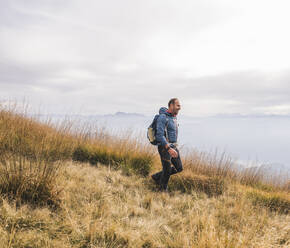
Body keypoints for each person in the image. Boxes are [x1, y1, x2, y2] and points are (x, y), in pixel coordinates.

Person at [151, 98, 183, 192]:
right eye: (177, 105)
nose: (179, 107)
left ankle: (156, 177)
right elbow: (159, 135)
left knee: (179, 168)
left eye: (180, 105)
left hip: (173, 146)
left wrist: (173, 147)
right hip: (164, 147)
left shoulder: (173, 117)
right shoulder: (163, 117)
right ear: (171, 105)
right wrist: (169, 148)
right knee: (167, 169)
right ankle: (162, 190)